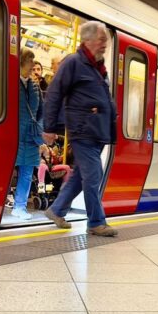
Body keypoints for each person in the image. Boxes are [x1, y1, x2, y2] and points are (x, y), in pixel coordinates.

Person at [42, 21, 118, 237]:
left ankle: (56, 210)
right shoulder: (74, 63)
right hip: (83, 130)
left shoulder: (98, 67)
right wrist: (49, 127)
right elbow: (54, 93)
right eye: (101, 39)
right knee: (93, 176)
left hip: (97, 132)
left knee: (81, 176)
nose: (105, 44)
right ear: (88, 40)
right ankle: (95, 222)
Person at [12, 49, 45, 220]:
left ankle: (20, 206)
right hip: (13, 134)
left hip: (30, 135)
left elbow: (41, 112)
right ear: (22, 62)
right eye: (30, 61)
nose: (33, 65)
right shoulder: (10, 81)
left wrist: (39, 131)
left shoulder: (35, 86)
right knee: (8, 169)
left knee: (27, 172)